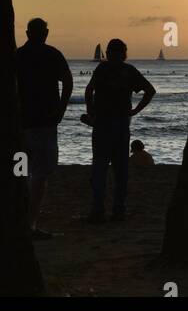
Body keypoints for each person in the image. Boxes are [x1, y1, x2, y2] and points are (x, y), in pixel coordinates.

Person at [83, 39, 155, 222]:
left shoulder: (102, 69)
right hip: (122, 125)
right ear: (124, 53)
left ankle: (98, 210)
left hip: (102, 124)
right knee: (120, 171)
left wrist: (91, 112)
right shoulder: (128, 71)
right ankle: (118, 210)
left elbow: (89, 90)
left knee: (99, 169)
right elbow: (150, 91)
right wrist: (135, 111)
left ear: (107, 53)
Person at [15, 17, 73, 239]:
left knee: (21, 172)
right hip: (44, 123)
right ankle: (29, 224)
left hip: (21, 124)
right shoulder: (52, 55)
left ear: (28, 33)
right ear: (46, 33)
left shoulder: (17, 55)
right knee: (40, 175)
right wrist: (60, 111)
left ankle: (20, 222)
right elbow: (67, 82)